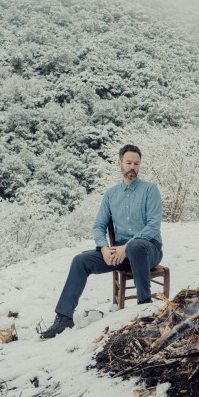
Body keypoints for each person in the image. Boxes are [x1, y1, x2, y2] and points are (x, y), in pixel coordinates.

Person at [40, 144, 163, 339]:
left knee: (136, 246)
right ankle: (64, 317)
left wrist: (127, 246)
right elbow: (98, 226)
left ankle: (144, 307)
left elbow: (153, 226)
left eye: (136, 164)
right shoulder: (111, 195)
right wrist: (104, 248)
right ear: (119, 164)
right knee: (80, 261)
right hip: (119, 253)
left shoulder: (150, 190)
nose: (133, 167)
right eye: (129, 163)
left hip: (149, 249)